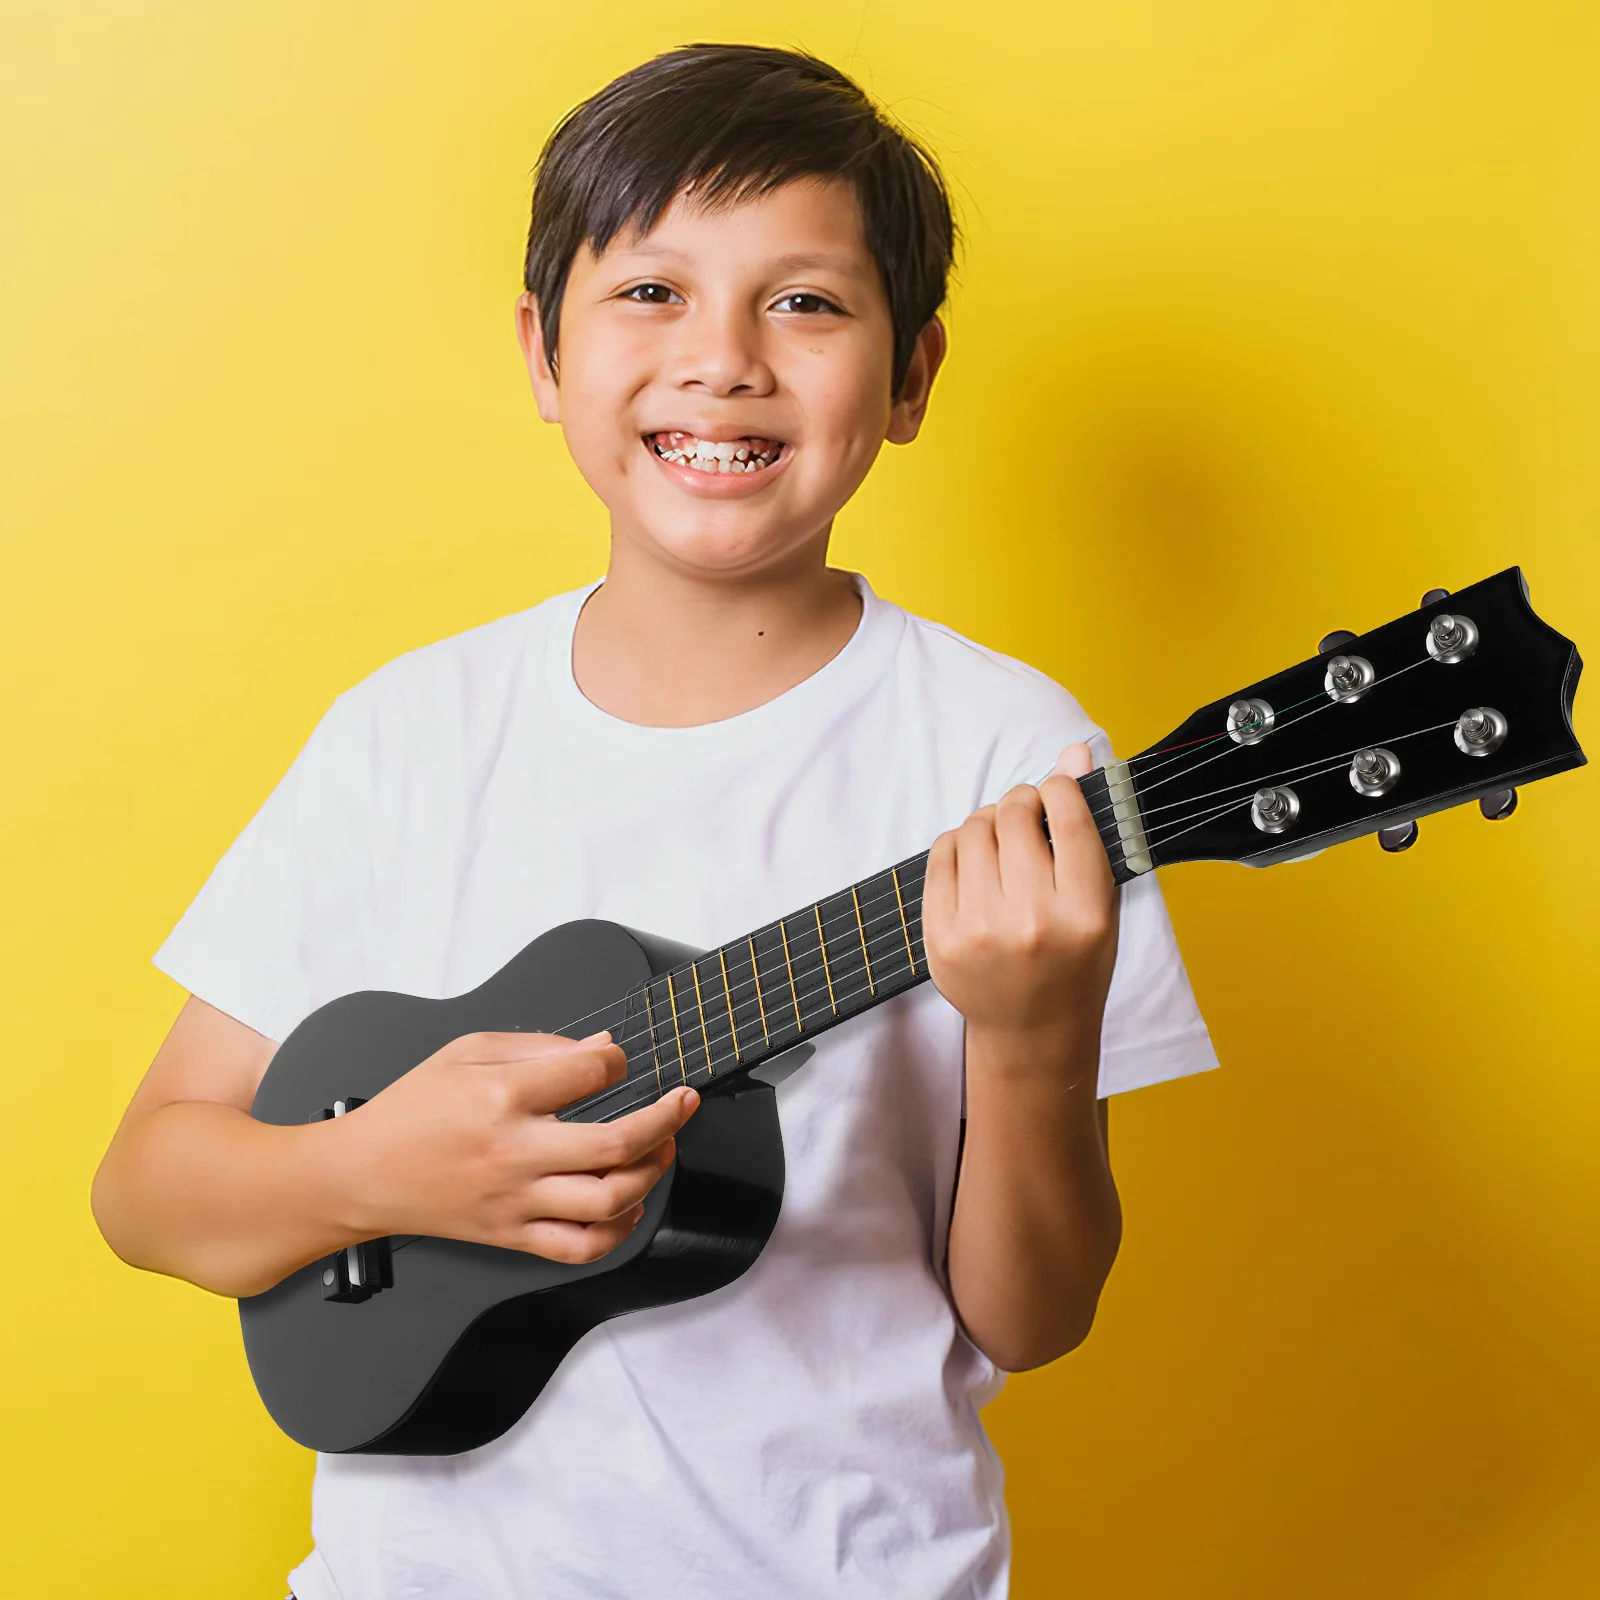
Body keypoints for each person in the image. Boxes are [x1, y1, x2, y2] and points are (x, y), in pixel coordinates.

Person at [92, 43, 1217, 1600]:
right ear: (545, 355)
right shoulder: (410, 734)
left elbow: (1030, 1319)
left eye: (807, 303)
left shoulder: (1009, 755)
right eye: (651, 293)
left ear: (912, 379)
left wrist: (1031, 1035)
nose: (724, 359)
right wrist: (387, 1178)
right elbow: (147, 1187)